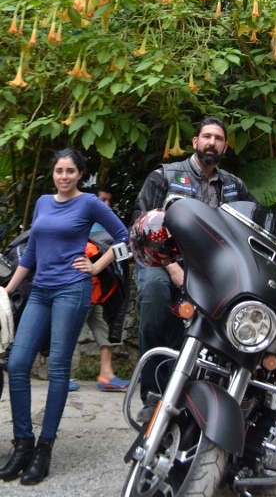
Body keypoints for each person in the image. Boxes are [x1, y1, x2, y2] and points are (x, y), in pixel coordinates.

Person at [0, 148, 129, 486]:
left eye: (70, 171)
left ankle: (44, 449)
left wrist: (97, 266)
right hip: (40, 291)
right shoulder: (43, 202)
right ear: (54, 173)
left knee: (58, 367)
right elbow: (31, 252)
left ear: (80, 174)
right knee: (17, 364)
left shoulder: (89, 203)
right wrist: (7, 291)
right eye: (59, 170)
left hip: (72, 290)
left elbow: (125, 237)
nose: (64, 176)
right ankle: (23, 445)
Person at [131, 116, 254, 423]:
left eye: (218, 138)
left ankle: (204, 396)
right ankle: (153, 396)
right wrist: (171, 266)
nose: (212, 142)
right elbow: (139, 227)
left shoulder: (234, 186)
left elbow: (256, 223)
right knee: (156, 298)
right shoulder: (164, 176)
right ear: (195, 142)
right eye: (207, 136)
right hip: (161, 261)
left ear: (225, 147)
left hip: (209, 269)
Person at [85, 188, 130, 392]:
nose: (107, 204)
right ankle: (60, 376)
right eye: (102, 200)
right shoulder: (83, 220)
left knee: (104, 327)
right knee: (68, 331)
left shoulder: (112, 226)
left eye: (109, 200)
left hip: (100, 290)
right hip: (82, 288)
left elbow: (120, 251)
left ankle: (106, 374)